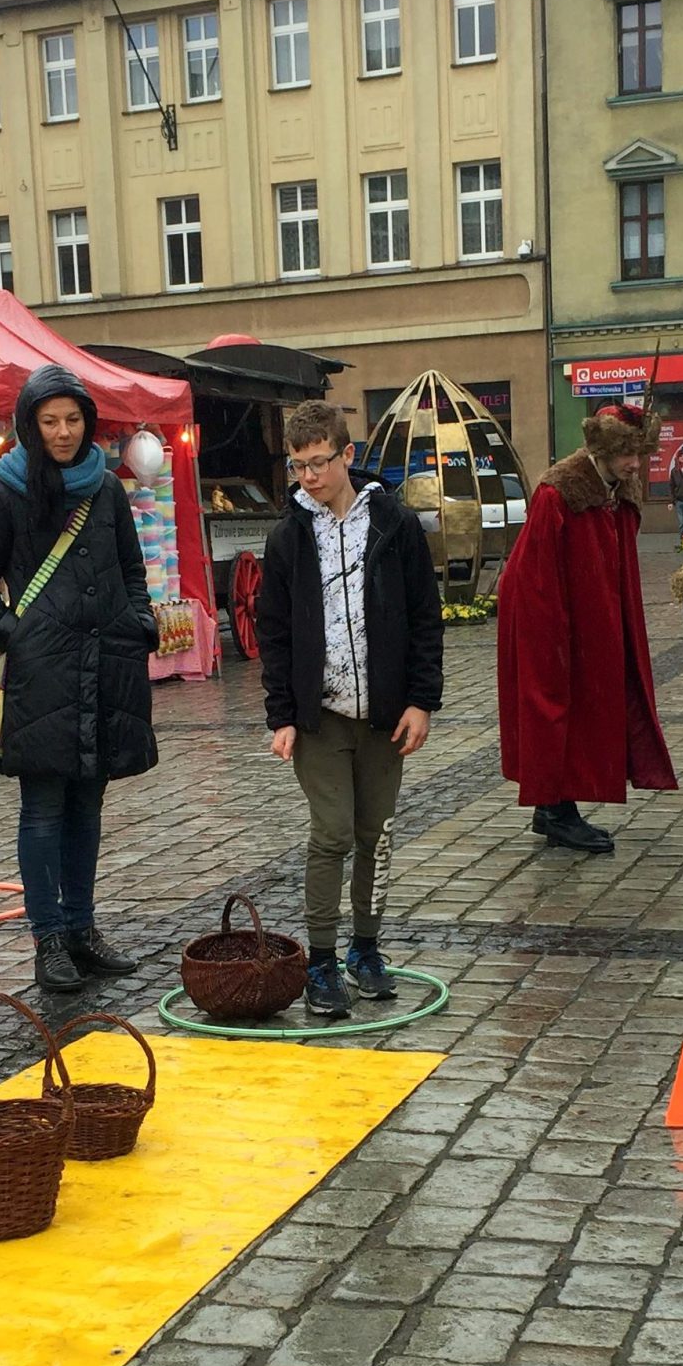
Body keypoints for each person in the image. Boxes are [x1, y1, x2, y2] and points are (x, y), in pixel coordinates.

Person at [0, 364, 157, 995]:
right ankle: (48, 937)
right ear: (30, 424)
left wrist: (140, 623)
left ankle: (81, 929)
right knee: (44, 809)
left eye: (73, 420)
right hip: (43, 676)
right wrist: (18, 636)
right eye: (50, 421)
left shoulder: (107, 488)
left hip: (105, 666)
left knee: (87, 806)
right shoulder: (4, 493)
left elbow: (131, 568)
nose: (64, 432)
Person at [258, 399, 443, 1020]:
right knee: (333, 832)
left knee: (375, 834)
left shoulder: (395, 524)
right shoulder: (288, 536)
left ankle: (366, 949)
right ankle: (320, 959)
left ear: (348, 454)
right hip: (321, 714)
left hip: (385, 714)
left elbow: (425, 618)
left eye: (319, 462)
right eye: (298, 466)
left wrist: (421, 701)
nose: (309, 476)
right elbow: (274, 631)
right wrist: (282, 714)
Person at [496, 405, 676, 853]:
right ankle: (557, 811)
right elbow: (535, 576)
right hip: (551, 621)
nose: (635, 464)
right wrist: (554, 640)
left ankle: (553, 806)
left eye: (641, 454)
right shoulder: (560, 492)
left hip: (596, 619)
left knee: (593, 708)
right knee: (556, 707)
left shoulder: (620, 492)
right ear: (604, 449)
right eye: (628, 454)